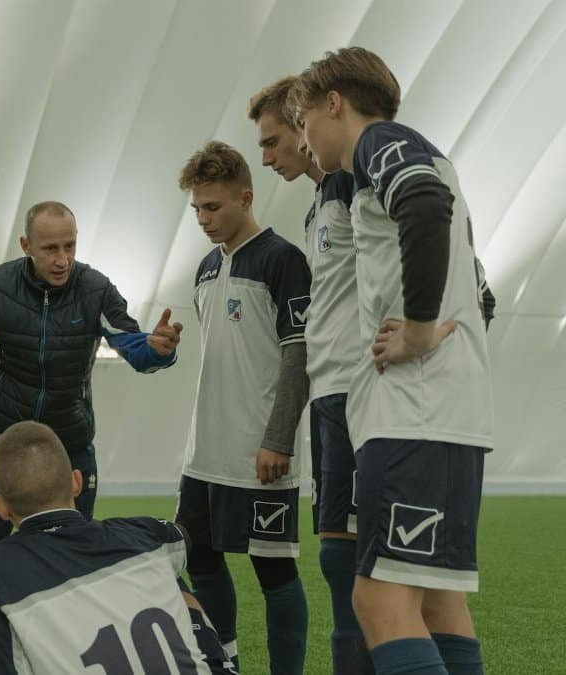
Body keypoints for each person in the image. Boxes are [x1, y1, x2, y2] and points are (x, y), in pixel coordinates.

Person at [291, 46, 492, 675]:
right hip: (443, 413)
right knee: (435, 604)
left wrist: (421, 330)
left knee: (377, 601)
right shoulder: (400, 160)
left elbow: (425, 205)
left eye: (303, 120)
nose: (303, 137)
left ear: (334, 103)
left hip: (416, 414)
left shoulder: (384, 141)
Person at [0, 200, 183, 674]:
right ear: (26, 247)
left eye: (69, 246)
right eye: (50, 248)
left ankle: (68, 658)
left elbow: (135, 348)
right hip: (4, 447)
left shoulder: (95, 287)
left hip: (71, 446)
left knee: (78, 551)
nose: (62, 258)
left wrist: (159, 349)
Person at [175, 141, 312, 674]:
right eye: (196, 210)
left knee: (273, 572)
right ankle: (223, 663)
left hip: (260, 453)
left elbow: (299, 356)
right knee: (201, 560)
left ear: (246, 197)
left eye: (213, 207)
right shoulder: (207, 268)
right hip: (203, 454)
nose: (204, 219)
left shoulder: (283, 261)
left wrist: (278, 439)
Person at [250, 76, 370, 674]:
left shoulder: (355, 184)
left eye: (273, 142)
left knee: (354, 564)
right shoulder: (317, 205)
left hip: (358, 396)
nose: (267, 157)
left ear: (306, 125)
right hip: (330, 398)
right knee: (340, 558)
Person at [0, 421, 237, 675]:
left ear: (0, 508)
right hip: (142, 547)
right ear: (76, 482)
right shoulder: (146, 535)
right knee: (169, 571)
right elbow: (182, 539)